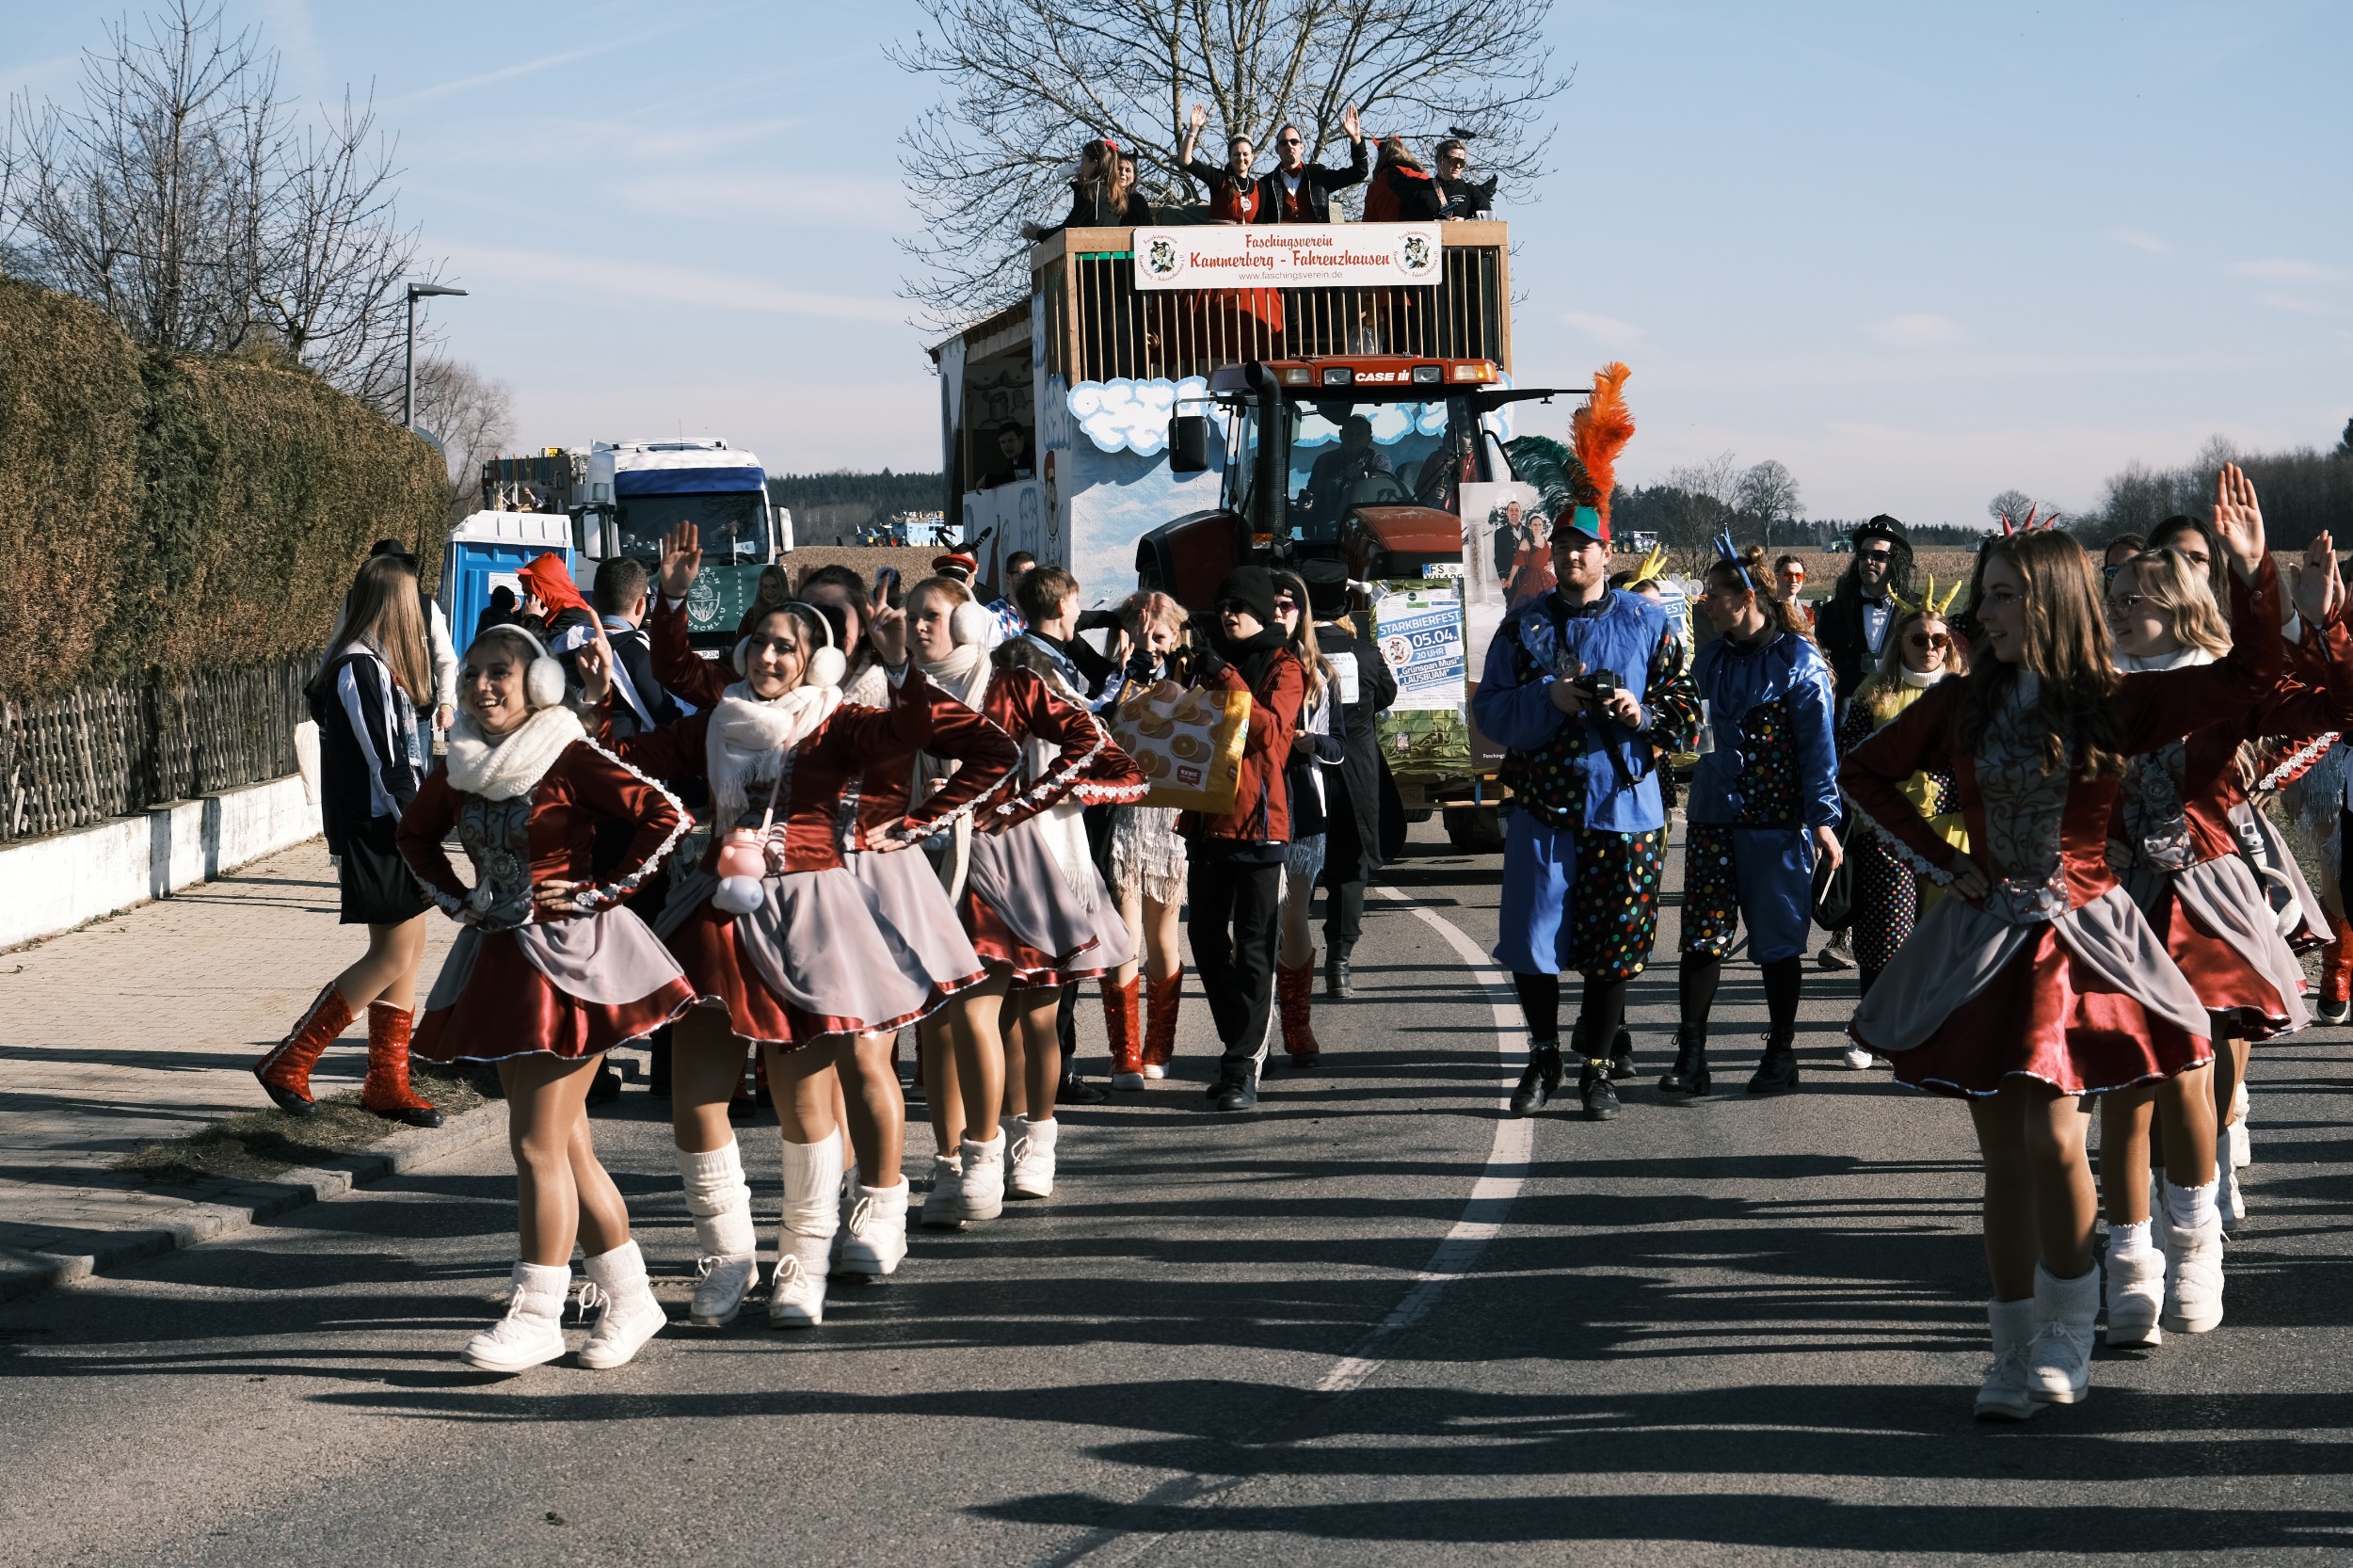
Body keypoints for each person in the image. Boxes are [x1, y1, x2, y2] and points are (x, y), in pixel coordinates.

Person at [1841, 478, 2281, 1417]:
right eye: (1985, 593)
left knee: (2052, 1137)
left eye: (2002, 595)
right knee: (2004, 1158)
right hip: (1984, 940)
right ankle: (2010, 1352)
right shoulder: (1960, 703)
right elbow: (1865, 772)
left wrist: (2250, 576)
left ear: (2048, 603)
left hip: (2084, 940)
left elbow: (2249, 681)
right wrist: (1943, 859)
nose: (1981, 613)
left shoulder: (2112, 703)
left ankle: (2066, 1337)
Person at [646, 529, 1017, 1273]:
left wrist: (921, 819)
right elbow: (682, 677)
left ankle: (886, 1202)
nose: (811, 633)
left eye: (837, 619)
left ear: (850, 635)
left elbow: (982, 748)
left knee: (868, 1054)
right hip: (776, 885)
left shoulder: (871, 697)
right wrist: (673, 601)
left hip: (868, 875)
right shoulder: (753, 703)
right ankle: (833, 1206)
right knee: (811, 1071)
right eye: (798, 615)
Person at [593, 584, 956, 1333]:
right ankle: (727, 1258)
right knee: (696, 1102)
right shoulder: (715, 722)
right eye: (758, 641)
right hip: (716, 918)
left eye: (785, 646)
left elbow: (913, 732)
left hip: (808, 918)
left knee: (805, 1106)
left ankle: (803, 1262)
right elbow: (616, 761)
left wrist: (900, 664)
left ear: (812, 661)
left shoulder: (837, 722)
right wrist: (596, 701)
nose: (767, 656)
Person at [398, 623, 697, 1372]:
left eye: (499, 672)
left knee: (536, 1144)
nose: (482, 686)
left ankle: (537, 1313)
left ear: (538, 684)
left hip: (572, 962)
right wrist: (458, 899)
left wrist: (600, 893)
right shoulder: (464, 761)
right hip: (500, 958)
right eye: (472, 673)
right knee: (563, 1145)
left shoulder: (567, 752)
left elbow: (667, 815)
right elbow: (413, 836)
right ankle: (632, 1298)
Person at [2096, 532, 2347, 1330]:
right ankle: (2130, 1261)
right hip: (2111, 902)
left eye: (2134, 599)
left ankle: (2198, 1245)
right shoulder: (2088, 690)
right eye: (2113, 599)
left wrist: (2319, 620)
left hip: (2201, 899)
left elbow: (2339, 707)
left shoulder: (2226, 685)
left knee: (2191, 1078)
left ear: (2177, 609)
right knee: (2122, 1090)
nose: (2117, 610)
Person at [905, 573, 1144, 1208]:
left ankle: (1032, 1142)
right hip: (924, 868)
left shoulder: (1010, 684)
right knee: (946, 1024)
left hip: (1012, 860)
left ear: (966, 623)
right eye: (911, 616)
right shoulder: (898, 690)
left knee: (1030, 1017)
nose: (918, 626)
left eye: (931, 615)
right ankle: (958, 1161)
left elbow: (1096, 746)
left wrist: (1019, 805)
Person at [1472, 506, 1701, 1121]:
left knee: (1615, 947)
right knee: (1530, 940)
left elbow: (1688, 710)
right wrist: (1547, 696)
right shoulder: (1524, 626)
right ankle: (1544, 1056)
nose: (1573, 555)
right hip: (1543, 806)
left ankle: (1597, 1068)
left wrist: (1642, 713)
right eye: (1564, 545)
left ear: (1607, 552)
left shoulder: (1648, 621)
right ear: (1552, 553)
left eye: (1585, 545)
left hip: (1625, 807)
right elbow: (1489, 711)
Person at [252, 555, 442, 1129]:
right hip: (379, 830)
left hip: (387, 826)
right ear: (395, 604)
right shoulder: (359, 668)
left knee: (408, 949)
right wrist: (419, 827)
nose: (419, 614)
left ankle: (387, 1083)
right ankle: (292, 1058)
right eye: (412, 602)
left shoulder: (370, 664)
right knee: (393, 954)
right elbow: (387, 762)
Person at [1666, 545, 1841, 1097]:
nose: (1705, 601)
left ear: (1746, 598)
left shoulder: (1799, 661)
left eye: (1714, 593)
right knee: (1701, 936)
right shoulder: (1710, 660)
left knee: (1778, 939)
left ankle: (1781, 1053)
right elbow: (1692, 731)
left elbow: (1819, 748)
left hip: (1776, 821)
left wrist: (1823, 820)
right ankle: (1691, 1056)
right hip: (1712, 817)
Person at [1183, 567, 1307, 1112]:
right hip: (1207, 823)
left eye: (1238, 606)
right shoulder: (1211, 665)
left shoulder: (1284, 666)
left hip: (1259, 827)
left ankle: (1240, 1068)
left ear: (1259, 611)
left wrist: (1226, 676)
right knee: (1207, 943)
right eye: (1223, 606)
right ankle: (1249, 1045)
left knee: (1255, 949)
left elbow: (1271, 738)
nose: (1228, 614)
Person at [1833, 578, 1963, 1045]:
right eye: (1918, 639)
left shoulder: (1968, 693)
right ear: (1900, 643)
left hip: (1953, 831)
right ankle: (1871, 1029)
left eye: (1939, 640)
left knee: (1945, 939)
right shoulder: (1875, 693)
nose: (1929, 648)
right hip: (1888, 832)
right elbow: (1848, 760)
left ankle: (1933, 1033)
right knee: (1886, 938)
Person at [1812, 516, 1913, 970]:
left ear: (1896, 563)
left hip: (1900, 729)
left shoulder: (1915, 613)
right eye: (1864, 554)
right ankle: (1844, 930)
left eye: (1880, 556)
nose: (1870, 562)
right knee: (1849, 825)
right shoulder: (1836, 611)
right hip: (1846, 726)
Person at [1101, 592, 1193, 1085]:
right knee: (1124, 936)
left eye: (1159, 637)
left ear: (1176, 636)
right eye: (1143, 635)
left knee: (1162, 936)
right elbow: (1105, 720)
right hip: (1126, 817)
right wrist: (1128, 660)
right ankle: (1124, 1054)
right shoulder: (1112, 676)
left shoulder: (1193, 676)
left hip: (1172, 819)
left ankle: (1159, 1045)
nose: (1151, 645)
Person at [1306, 560, 1400, 999]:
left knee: (1295, 868)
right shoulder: (1365, 653)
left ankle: (1287, 957)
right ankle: (1339, 965)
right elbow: (1386, 694)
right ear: (1344, 606)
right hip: (1354, 773)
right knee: (1349, 870)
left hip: (1303, 772)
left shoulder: (1292, 657)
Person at [1268, 570, 1344, 1067]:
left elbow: (1339, 746)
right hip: (1250, 803)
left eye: (1288, 605)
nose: (1279, 613)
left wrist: (1312, 742)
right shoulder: (1245, 664)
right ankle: (1254, 1035)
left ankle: (1297, 1028)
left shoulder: (1323, 673)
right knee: (1254, 920)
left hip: (1302, 803)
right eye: (1272, 605)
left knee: (1293, 914)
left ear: (1302, 612)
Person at [365, 538, 457, 760]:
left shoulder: (425, 606)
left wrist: (446, 703)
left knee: (415, 776)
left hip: (417, 716)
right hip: (369, 714)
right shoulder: (357, 604)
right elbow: (335, 653)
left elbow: (446, 659)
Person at [1021, 138, 1153, 240]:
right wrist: (1080, 188)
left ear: (1094, 164)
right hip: (1111, 259)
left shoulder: (1094, 190)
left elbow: (1069, 228)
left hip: (1094, 261)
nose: (1081, 166)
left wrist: (1038, 234)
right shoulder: (1114, 192)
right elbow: (1083, 219)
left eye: (1083, 161)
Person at [1252, 107, 1367, 224]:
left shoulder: (1319, 175)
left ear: (1302, 147)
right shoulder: (1265, 184)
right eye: (1283, 143)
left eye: (1294, 142)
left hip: (1318, 236)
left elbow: (1359, 172)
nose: (1289, 145)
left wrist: (1356, 140)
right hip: (1279, 236)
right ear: (1277, 149)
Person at [1302, 414, 1396, 538]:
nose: (1354, 437)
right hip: (1330, 525)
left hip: (1368, 524)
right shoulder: (1324, 461)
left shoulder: (1378, 460)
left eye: (1360, 433)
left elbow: (1384, 488)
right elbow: (1313, 493)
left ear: (1369, 439)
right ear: (1341, 435)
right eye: (1349, 433)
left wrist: (1365, 479)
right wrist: (1306, 503)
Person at [1178, 103, 1260, 222]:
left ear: (1252, 157)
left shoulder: (1260, 188)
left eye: (1245, 154)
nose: (1241, 158)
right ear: (1230, 157)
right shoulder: (1218, 179)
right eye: (1236, 154)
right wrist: (1192, 130)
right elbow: (1186, 161)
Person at [1360, 136, 1443, 221]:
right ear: (1406, 154)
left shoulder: (1374, 188)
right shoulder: (1421, 178)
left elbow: (1368, 224)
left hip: (1389, 229)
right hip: (1420, 228)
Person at [1433, 138, 1496, 220]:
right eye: (1453, 160)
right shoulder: (1421, 189)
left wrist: (1464, 222)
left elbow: (1490, 220)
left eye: (1461, 162)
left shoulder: (1469, 190)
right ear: (1440, 161)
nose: (1458, 166)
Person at [977, 424, 1034, 489]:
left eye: (1010, 440)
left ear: (1021, 440)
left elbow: (1017, 478)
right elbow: (1007, 476)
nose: (1006, 446)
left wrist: (986, 479)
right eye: (1003, 442)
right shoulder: (1014, 459)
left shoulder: (1031, 456)